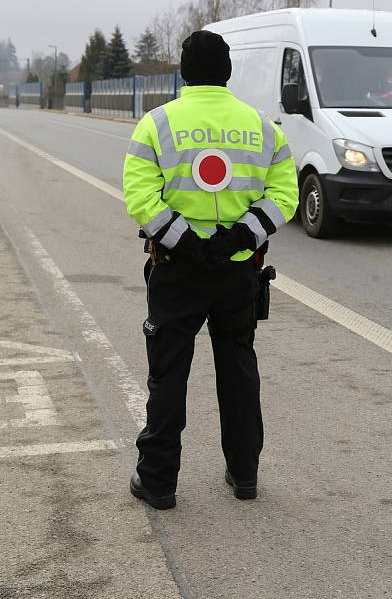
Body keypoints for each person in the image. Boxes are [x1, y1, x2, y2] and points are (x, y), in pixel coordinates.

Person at [122, 30, 299, 509]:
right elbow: (284, 196)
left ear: (183, 71)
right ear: (227, 73)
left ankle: (158, 482)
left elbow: (140, 197)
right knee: (238, 369)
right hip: (239, 271)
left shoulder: (157, 124)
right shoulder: (262, 127)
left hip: (177, 270)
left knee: (169, 375)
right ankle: (244, 475)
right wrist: (240, 237)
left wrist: (190, 244)